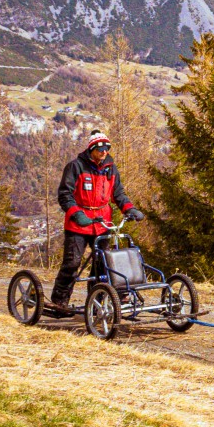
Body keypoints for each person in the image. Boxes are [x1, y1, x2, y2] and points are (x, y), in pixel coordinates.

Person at [50, 129, 145, 308]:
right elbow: (64, 194)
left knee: (103, 264)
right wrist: (77, 214)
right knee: (72, 264)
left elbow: (118, 194)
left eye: (107, 148)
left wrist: (130, 209)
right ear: (91, 149)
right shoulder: (76, 166)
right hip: (78, 224)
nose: (104, 152)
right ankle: (59, 301)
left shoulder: (111, 168)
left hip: (102, 223)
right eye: (100, 148)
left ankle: (97, 302)